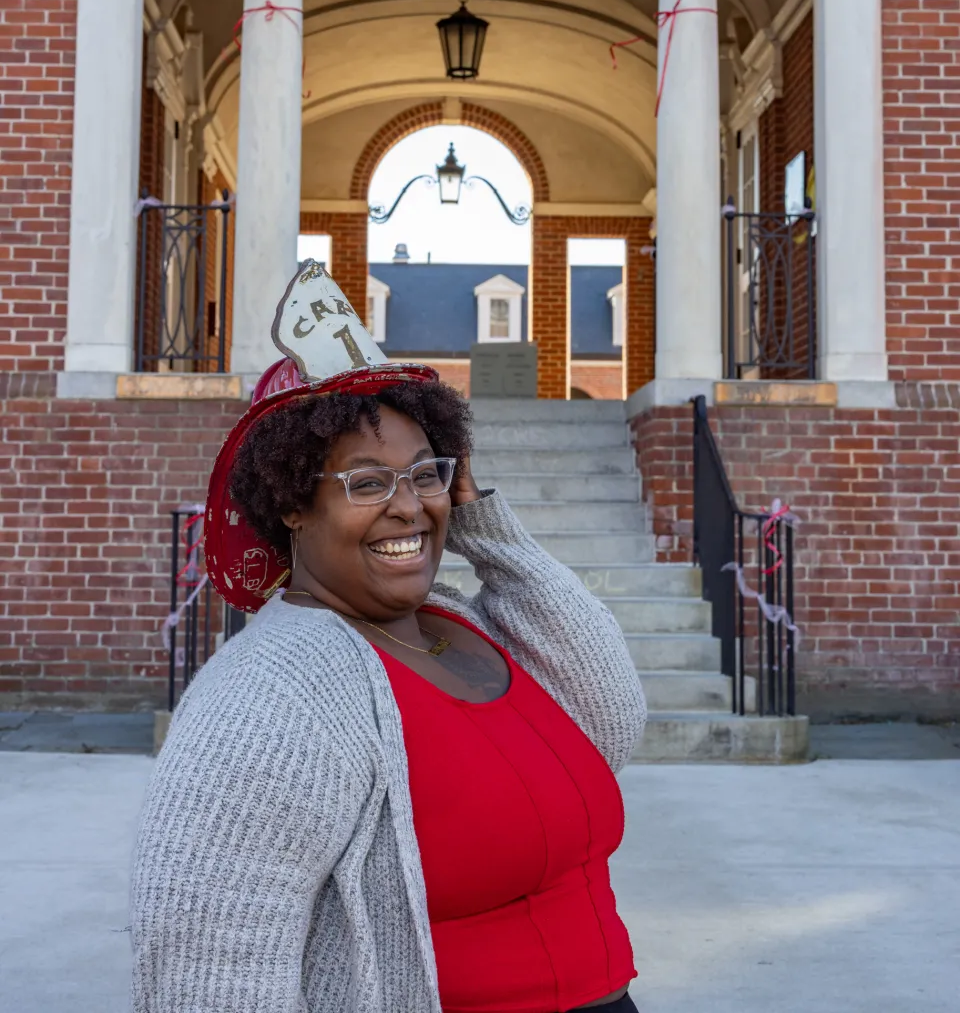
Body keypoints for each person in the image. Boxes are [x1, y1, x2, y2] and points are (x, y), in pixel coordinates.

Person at [131, 260, 646, 1013]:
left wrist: (484, 528)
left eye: (424, 474)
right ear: (292, 506)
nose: (407, 507)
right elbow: (208, 976)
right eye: (367, 483)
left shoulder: (456, 622)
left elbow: (612, 719)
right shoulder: (267, 696)